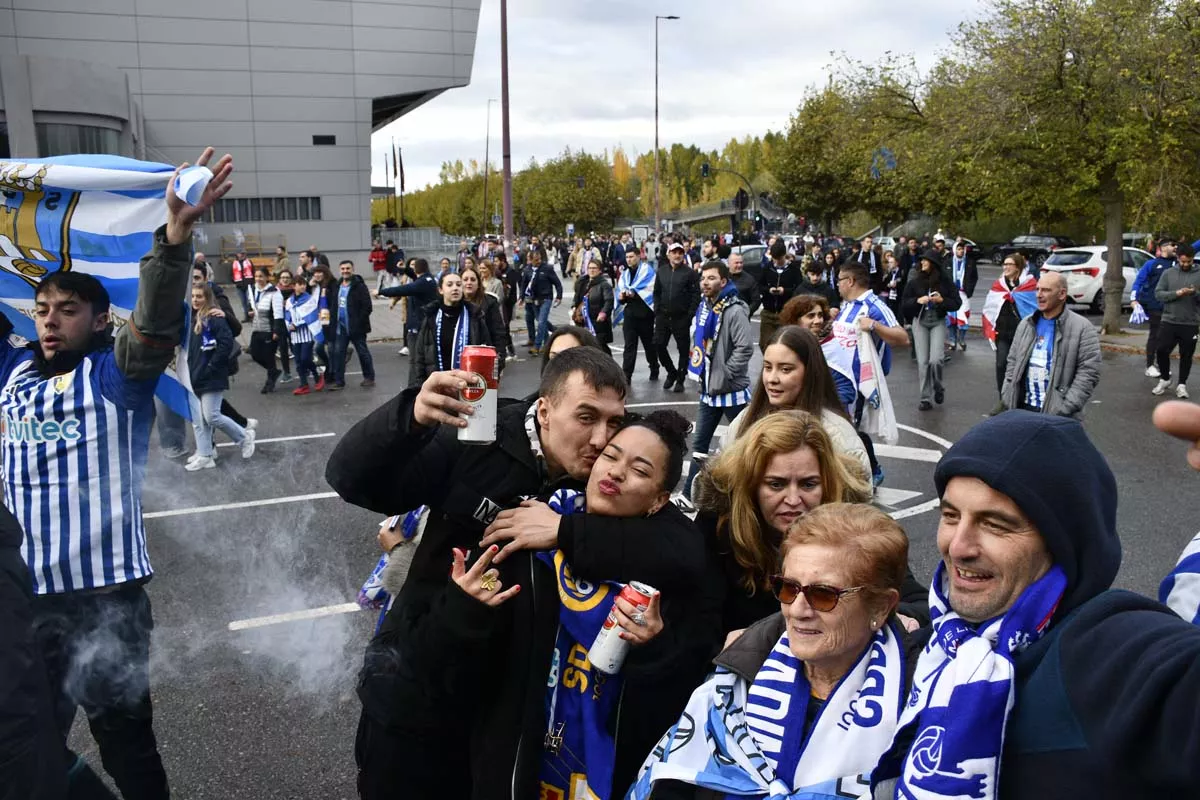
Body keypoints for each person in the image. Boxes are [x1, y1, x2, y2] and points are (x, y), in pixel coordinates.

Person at [327, 349, 707, 797]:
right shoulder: (477, 438)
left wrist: (564, 530)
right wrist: (409, 417)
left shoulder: (598, 481)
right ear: (544, 411)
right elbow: (353, 479)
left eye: (614, 422)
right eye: (586, 417)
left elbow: (682, 547)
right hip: (416, 686)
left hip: (503, 718)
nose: (602, 439)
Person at [1, 148, 231, 800]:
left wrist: (176, 237)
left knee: (128, 747)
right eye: (42, 305)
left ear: (101, 320)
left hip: (108, 602)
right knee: (24, 748)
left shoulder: (115, 377)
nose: (50, 316)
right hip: (26, 602)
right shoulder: (9, 370)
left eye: (68, 307)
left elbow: (157, 323)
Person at [872, 410, 1200, 798]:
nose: (957, 546)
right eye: (950, 515)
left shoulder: (1107, 648)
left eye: (995, 523)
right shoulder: (944, 643)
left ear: (1062, 543)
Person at [633, 503, 915, 799]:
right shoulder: (740, 671)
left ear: (881, 606)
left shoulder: (921, 699)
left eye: (823, 594)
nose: (797, 610)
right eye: (788, 588)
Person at [693, 412, 927, 641]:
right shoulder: (720, 526)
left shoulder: (856, 528)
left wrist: (902, 616)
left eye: (808, 484)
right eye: (776, 484)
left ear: (828, 483)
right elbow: (698, 621)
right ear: (751, 485)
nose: (793, 500)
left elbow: (919, 603)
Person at [723, 325, 870, 478]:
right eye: (768, 367)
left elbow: (856, 495)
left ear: (810, 373)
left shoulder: (839, 437)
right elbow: (720, 481)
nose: (772, 379)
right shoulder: (745, 420)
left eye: (785, 369)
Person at [831, 264, 909, 486]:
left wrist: (874, 325)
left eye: (840, 280)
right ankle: (862, 470)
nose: (837, 285)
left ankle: (867, 471)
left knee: (849, 427)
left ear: (851, 281)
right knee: (845, 425)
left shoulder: (874, 306)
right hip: (839, 378)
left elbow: (902, 338)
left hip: (858, 382)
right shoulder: (848, 306)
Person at [683, 261, 754, 496]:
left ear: (724, 282)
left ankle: (749, 492)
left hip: (731, 391)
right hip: (708, 390)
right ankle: (688, 494)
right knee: (699, 446)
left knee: (746, 445)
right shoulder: (704, 308)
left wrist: (724, 374)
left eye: (711, 278)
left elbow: (744, 348)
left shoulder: (735, 310)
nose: (705, 282)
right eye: (703, 278)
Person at [1001, 271, 1101, 416]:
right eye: (1037, 289)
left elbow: (1089, 372)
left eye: (1046, 290)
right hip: (1022, 410)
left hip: (1058, 415)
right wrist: (1008, 394)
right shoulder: (1026, 324)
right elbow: (1012, 361)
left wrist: (1066, 407)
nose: (1039, 295)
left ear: (1062, 294)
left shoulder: (1083, 328)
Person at [186, 283, 255, 470]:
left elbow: (225, 344)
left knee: (212, 416)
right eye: (192, 296)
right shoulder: (192, 318)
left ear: (207, 298)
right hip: (196, 375)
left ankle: (244, 437)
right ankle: (205, 454)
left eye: (199, 296)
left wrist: (211, 365)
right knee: (199, 419)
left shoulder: (214, 318)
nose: (195, 300)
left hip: (211, 376)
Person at [902, 250, 962, 410]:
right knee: (923, 362)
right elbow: (904, 304)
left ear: (933, 264)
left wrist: (942, 300)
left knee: (936, 360)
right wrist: (917, 301)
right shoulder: (914, 282)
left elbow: (957, 303)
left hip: (937, 321)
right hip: (920, 322)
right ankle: (925, 398)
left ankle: (938, 386)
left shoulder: (945, 282)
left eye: (926, 261)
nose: (922, 263)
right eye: (921, 261)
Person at [408, 271, 489, 387]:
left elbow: (486, 350)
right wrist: (419, 386)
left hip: (469, 386)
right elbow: (420, 356)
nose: (455, 288)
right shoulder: (431, 317)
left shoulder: (474, 316)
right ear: (441, 290)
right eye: (450, 285)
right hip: (438, 386)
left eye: (458, 284)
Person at [1152, 242, 1200, 398]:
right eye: (1183, 261)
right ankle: (1165, 378)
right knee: (1161, 350)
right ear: (1178, 258)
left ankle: (1182, 384)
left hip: (1190, 322)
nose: (1185, 264)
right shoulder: (1168, 273)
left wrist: (1194, 293)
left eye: (1189, 261)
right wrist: (1177, 293)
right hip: (1169, 320)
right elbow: (1158, 294)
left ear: (1193, 259)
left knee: (1186, 355)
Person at [653, 241, 702, 393]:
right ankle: (671, 372)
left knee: (683, 349)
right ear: (669, 255)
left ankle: (680, 378)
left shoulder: (690, 273)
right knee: (658, 345)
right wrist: (657, 309)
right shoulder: (661, 271)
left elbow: (696, 295)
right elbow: (656, 292)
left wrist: (689, 314)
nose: (677, 255)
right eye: (674, 252)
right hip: (663, 316)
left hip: (681, 317)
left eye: (680, 253)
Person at [988, 253, 1029, 415]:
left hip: (1022, 334)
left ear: (1017, 267)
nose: (1005, 267)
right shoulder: (999, 285)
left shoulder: (1028, 285)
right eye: (1004, 264)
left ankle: (1019, 400)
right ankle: (1003, 400)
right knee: (1001, 365)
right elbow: (991, 308)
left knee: (1021, 367)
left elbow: (1033, 308)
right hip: (1003, 333)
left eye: (1009, 264)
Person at [1131, 238, 1176, 378]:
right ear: (1163, 247)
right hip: (1155, 305)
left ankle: (1162, 365)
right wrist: (1134, 299)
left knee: (1170, 338)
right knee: (1155, 336)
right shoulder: (1151, 264)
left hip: (1173, 307)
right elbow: (1139, 281)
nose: (1175, 247)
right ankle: (1150, 366)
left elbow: (1193, 248)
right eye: (1172, 245)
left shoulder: (1177, 263)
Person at [378, 257, 438, 360]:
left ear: (416, 269)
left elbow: (402, 289)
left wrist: (381, 291)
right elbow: (413, 275)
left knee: (416, 360)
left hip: (419, 325)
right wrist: (404, 268)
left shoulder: (421, 283)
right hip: (421, 322)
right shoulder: (428, 279)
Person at [616, 245, 660, 383]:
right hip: (630, 315)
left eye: (631, 257)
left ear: (638, 256)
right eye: (627, 257)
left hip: (645, 314)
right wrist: (622, 297)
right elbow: (621, 292)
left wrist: (634, 293)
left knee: (649, 345)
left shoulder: (647, 271)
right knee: (629, 346)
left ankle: (654, 367)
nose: (628, 260)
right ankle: (626, 375)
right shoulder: (625, 274)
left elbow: (650, 289)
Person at [330, 260, 376, 390]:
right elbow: (334, 305)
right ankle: (339, 381)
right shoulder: (338, 285)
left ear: (353, 269)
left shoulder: (359, 286)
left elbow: (367, 307)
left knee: (362, 352)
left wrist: (358, 322)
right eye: (343, 269)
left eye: (348, 268)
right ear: (340, 270)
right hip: (341, 327)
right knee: (339, 353)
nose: (345, 271)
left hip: (357, 328)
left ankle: (369, 377)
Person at [459, 264, 507, 373]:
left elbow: (499, 333)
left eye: (473, 279)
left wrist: (499, 359)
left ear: (478, 283)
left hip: (484, 358)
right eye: (465, 279)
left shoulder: (490, 303)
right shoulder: (455, 305)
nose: (469, 282)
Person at [759, 238, 803, 351]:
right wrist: (769, 290)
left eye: (780, 259)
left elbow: (799, 289)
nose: (777, 261)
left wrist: (786, 291)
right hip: (769, 312)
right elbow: (759, 286)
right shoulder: (767, 268)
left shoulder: (794, 270)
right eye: (775, 259)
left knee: (786, 345)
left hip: (786, 311)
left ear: (785, 255)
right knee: (765, 343)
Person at [248, 265, 285, 394]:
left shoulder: (274, 292)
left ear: (267, 277)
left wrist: (276, 331)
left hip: (269, 329)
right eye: (256, 276)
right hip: (256, 328)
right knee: (255, 354)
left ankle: (270, 382)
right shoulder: (253, 290)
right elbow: (251, 306)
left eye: (261, 276)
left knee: (269, 357)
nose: (258, 279)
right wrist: (250, 312)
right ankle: (273, 371)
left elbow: (278, 313)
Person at [284, 276, 324, 395]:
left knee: (305, 358)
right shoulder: (290, 301)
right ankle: (303, 384)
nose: (303, 286)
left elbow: (311, 316)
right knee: (298, 361)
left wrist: (297, 325)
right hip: (295, 337)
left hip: (307, 334)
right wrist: (289, 325)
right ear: (293, 286)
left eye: (304, 284)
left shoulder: (309, 299)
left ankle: (317, 375)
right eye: (299, 284)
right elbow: (287, 315)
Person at [523, 246, 563, 353]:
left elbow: (557, 283)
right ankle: (550, 338)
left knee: (541, 322)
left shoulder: (547, 268)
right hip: (533, 300)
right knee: (542, 321)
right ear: (530, 260)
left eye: (540, 259)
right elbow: (524, 285)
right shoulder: (527, 270)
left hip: (546, 298)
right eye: (536, 260)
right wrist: (521, 298)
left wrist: (559, 297)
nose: (539, 261)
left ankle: (537, 346)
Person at [574, 258, 615, 354]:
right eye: (589, 268)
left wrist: (603, 313)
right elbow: (577, 297)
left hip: (598, 322)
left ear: (600, 270)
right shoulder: (582, 282)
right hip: (584, 321)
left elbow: (609, 301)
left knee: (601, 347)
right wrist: (574, 307)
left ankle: (609, 366)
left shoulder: (604, 285)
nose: (591, 270)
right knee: (587, 347)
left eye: (594, 268)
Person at [945, 239, 978, 353]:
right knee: (951, 318)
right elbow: (944, 277)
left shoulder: (970, 262)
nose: (961, 251)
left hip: (964, 294)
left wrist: (969, 290)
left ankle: (962, 339)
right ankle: (952, 340)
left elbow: (974, 277)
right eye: (958, 249)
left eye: (962, 249)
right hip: (951, 294)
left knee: (963, 316)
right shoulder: (948, 262)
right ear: (954, 250)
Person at [728, 251, 761, 316]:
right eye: (736, 263)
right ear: (729, 263)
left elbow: (756, 300)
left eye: (741, 262)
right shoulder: (722, 277)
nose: (739, 265)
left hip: (742, 318)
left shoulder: (749, 279)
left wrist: (746, 312)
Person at [230, 248, 254, 321]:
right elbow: (231, 273)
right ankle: (246, 316)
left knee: (249, 301)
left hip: (249, 284)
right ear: (237, 254)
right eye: (241, 253)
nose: (243, 255)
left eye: (244, 254)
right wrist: (235, 281)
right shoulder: (234, 263)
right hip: (239, 285)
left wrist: (252, 281)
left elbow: (253, 271)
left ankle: (251, 315)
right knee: (243, 302)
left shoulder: (249, 262)